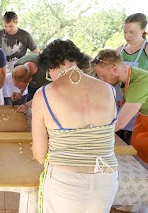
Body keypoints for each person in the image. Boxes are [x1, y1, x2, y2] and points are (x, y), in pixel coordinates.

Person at [32, 40, 118, 212]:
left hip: (66, 182)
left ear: (51, 67)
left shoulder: (44, 95)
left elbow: (40, 154)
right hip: (106, 179)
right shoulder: (109, 90)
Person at [92, 49, 148, 165]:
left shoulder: (140, 81)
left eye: (103, 75)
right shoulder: (125, 80)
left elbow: (120, 123)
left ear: (115, 69)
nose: (101, 79)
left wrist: (93, 137)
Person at [0, 11, 40, 105]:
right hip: (3, 69)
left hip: (20, 70)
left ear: (16, 23)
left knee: (20, 100)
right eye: (5, 26)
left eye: (10, 26)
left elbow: (37, 53)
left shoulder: (25, 35)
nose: (8, 29)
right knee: (6, 102)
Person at [115, 13, 148, 143]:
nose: (127, 36)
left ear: (143, 30)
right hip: (119, 105)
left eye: (132, 32)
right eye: (125, 32)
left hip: (140, 107)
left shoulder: (146, 49)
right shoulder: (119, 51)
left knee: (135, 145)